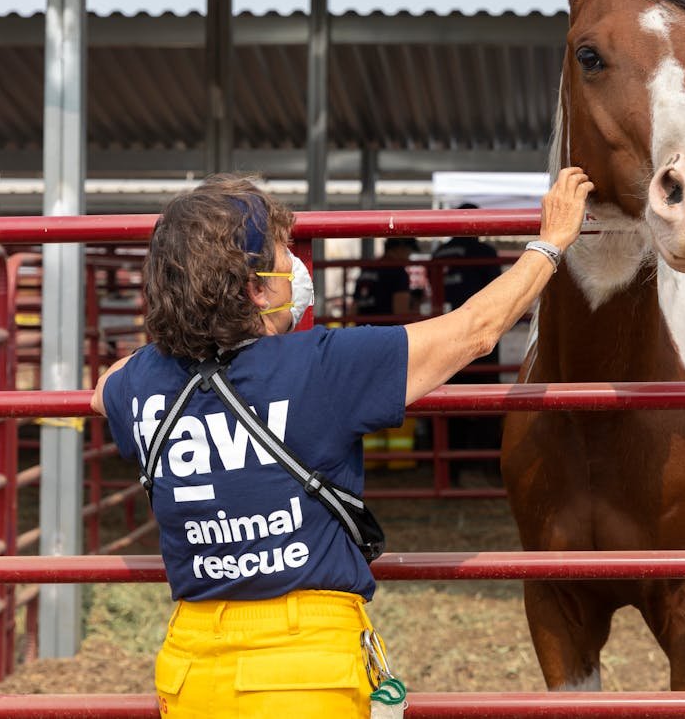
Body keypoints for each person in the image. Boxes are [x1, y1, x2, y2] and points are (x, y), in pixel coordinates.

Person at [89, 168, 592, 717]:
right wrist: (551, 242)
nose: (295, 265)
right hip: (304, 670)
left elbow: (104, 388)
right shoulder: (323, 368)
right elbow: (476, 329)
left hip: (190, 670)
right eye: (283, 253)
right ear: (255, 289)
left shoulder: (138, 385)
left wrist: (169, 348)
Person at [431, 206, 503, 486]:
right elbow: (499, 288)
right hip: (483, 329)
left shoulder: (440, 253)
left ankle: (451, 468)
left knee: (449, 399)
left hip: (447, 331)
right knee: (489, 398)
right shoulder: (485, 252)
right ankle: (488, 464)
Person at [352, 237, 418, 320]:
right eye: (409, 252)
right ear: (400, 249)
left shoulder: (369, 268)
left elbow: (353, 308)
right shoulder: (397, 272)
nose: (409, 257)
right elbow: (401, 313)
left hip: (362, 328)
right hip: (386, 329)